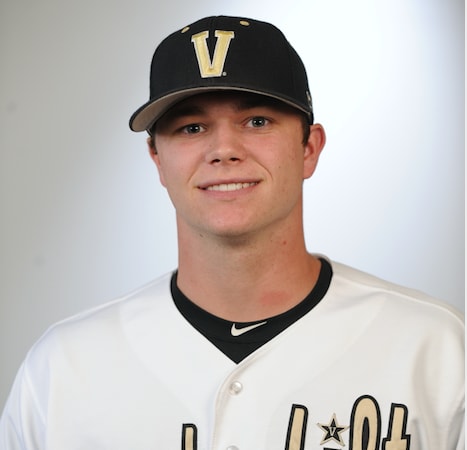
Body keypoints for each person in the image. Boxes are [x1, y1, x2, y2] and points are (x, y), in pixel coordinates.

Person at [0, 15, 464, 450]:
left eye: (257, 121)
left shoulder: (434, 348)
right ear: (157, 160)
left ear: (309, 148)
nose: (223, 149)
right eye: (192, 127)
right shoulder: (62, 369)